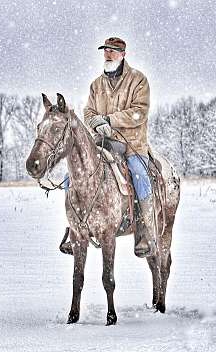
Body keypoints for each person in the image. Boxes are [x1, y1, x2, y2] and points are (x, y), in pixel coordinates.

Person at [61, 36, 156, 258]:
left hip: (131, 143)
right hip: (103, 143)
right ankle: (74, 228)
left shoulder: (138, 80)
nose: (108, 54)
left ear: (123, 54)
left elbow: (139, 111)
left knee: (140, 175)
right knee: (69, 178)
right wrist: (94, 122)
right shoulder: (96, 84)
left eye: (113, 51)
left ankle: (144, 230)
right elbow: (89, 111)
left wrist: (110, 121)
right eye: (105, 51)